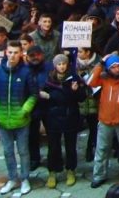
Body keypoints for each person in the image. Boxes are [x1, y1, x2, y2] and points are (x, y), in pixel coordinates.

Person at [0, 40, 36, 195]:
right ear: (5, 53)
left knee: (23, 151)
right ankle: (13, 178)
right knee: (8, 151)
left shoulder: (26, 72)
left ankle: (25, 178)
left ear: (21, 54)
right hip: (3, 120)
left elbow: (34, 94)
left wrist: (25, 110)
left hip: (22, 120)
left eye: (16, 52)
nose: (13, 55)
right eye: (10, 52)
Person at [88, 53, 119, 188]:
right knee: (101, 149)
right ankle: (99, 175)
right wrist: (100, 64)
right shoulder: (104, 79)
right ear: (108, 69)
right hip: (105, 120)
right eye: (113, 67)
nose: (117, 69)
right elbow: (90, 82)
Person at [42, 54, 86, 188]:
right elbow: (44, 97)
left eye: (64, 64)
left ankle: (71, 170)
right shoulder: (49, 79)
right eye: (59, 64)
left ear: (67, 65)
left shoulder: (74, 78)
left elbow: (82, 98)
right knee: (53, 147)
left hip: (70, 116)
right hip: (53, 118)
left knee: (70, 146)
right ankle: (52, 172)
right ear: (55, 66)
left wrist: (76, 91)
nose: (61, 66)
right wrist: (45, 96)